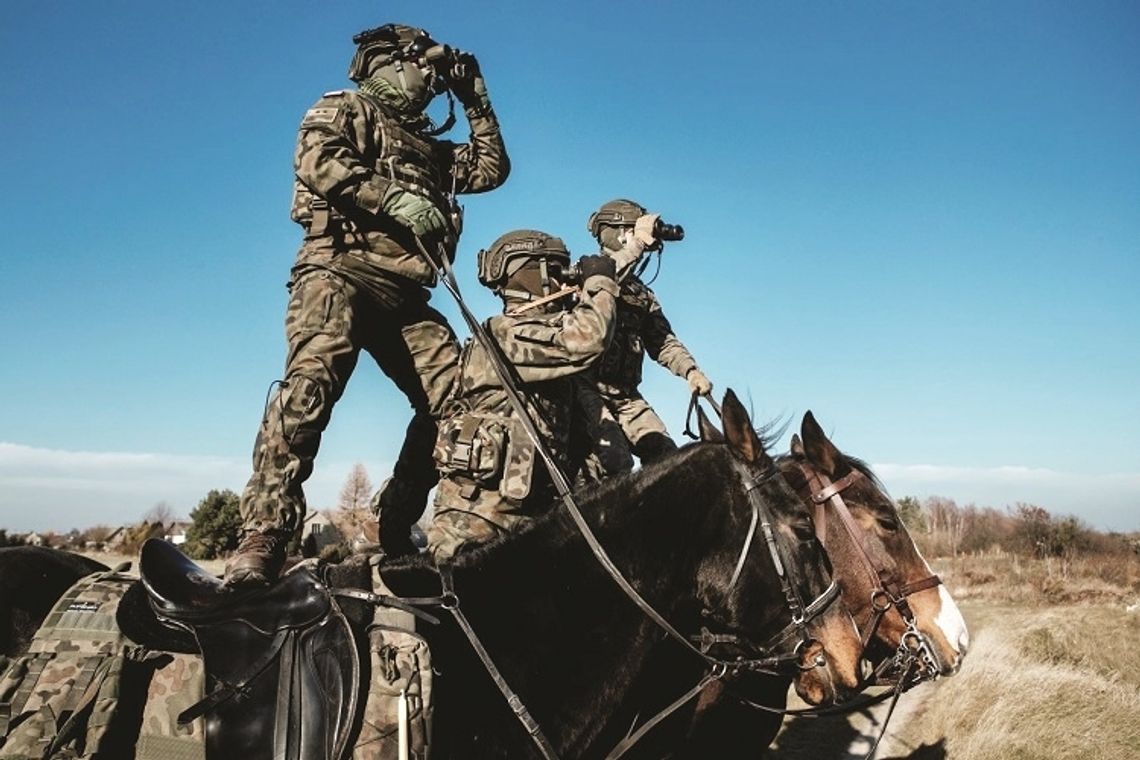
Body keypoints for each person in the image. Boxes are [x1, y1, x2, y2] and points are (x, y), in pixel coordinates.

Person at [226, 23, 510, 586]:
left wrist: (476, 100)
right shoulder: (348, 107)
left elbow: (489, 169)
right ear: (392, 64)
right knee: (309, 388)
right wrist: (392, 197)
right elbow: (316, 157)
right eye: (424, 66)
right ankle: (264, 533)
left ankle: (395, 525)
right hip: (340, 269)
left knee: (458, 401)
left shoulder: (428, 148)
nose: (432, 79)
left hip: (406, 293)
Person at [426, 223, 656, 561]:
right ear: (534, 275)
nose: (566, 282)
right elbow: (587, 340)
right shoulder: (504, 334)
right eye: (558, 271)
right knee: (454, 589)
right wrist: (598, 281)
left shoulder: (543, 350)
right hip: (478, 518)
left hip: (529, 517)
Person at [574, 198, 712, 482]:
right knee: (616, 463)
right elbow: (606, 276)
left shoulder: (641, 294)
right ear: (618, 233)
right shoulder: (585, 272)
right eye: (632, 230)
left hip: (626, 396)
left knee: (666, 460)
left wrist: (690, 371)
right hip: (586, 390)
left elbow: (662, 341)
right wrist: (636, 244)